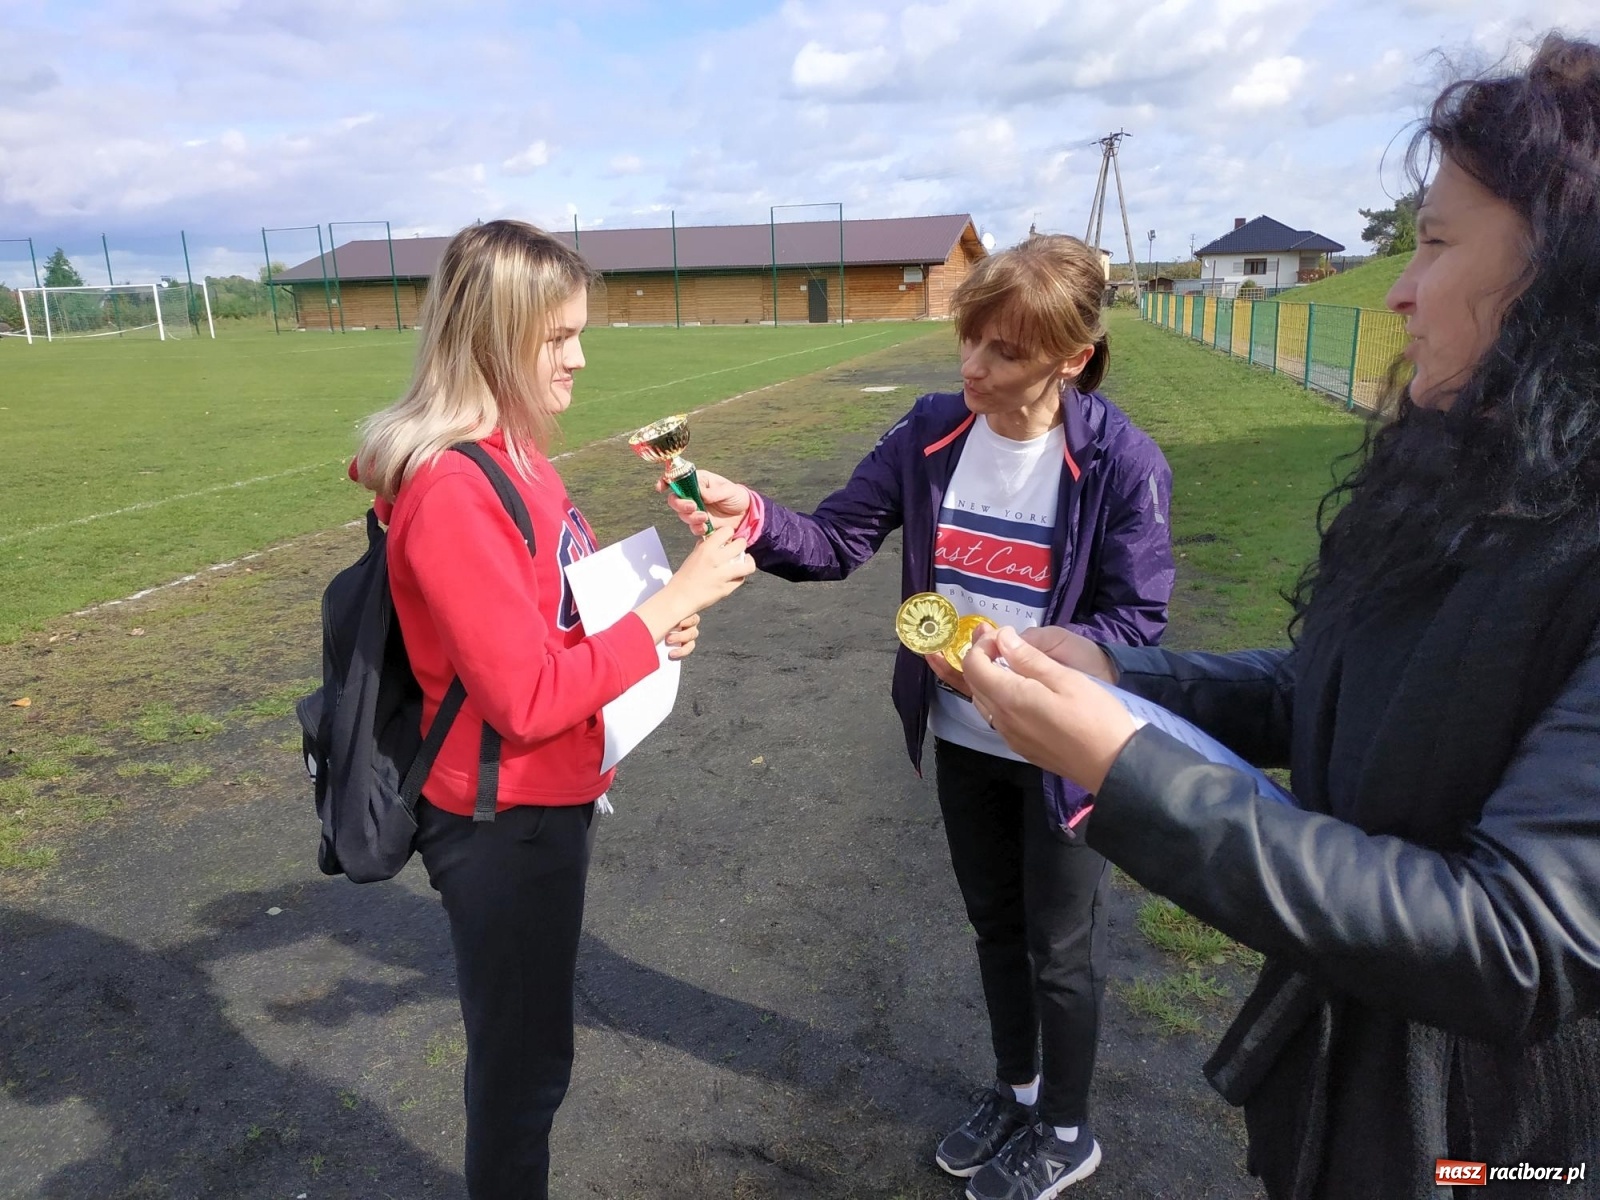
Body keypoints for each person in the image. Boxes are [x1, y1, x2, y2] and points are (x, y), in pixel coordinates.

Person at [960, 35, 1600, 1200]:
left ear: (1568, 275)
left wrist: (1129, 770)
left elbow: (1518, 943)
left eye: (1440, 245)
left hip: (1490, 1147)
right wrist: (1117, 674)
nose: (1399, 287)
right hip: (1345, 1082)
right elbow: (1330, 689)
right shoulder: (1485, 474)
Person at [661, 235, 1175, 1198]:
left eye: (1006, 352)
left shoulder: (1119, 460)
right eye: (970, 339)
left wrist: (1030, 663)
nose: (974, 367)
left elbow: (1135, 621)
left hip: (1062, 747)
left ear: (1072, 357)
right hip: (962, 738)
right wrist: (748, 511)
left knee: (1058, 945)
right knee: (993, 925)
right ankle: (1018, 1090)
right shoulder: (932, 432)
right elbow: (835, 540)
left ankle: (1068, 1129)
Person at [353, 220, 755, 1200]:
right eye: (556, 337)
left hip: (547, 796)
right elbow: (525, 695)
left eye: (580, 331)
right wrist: (671, 602)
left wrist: (646, 632)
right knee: (522, 1078)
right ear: (490, 338)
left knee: (533, 1061)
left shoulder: (522, 457)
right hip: (501, 818)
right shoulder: (455, 486)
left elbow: (551, 621)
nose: (579, 356)